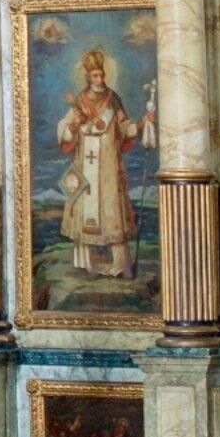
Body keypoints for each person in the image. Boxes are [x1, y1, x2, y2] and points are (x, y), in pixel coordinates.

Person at [56, 47, 152, 281]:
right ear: (88, 77)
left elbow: (123, 127)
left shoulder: (112, 99)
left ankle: (121, 263)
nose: (99, 79)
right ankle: (85, 264)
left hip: (108, 167)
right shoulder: (79, 101)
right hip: (85, 164)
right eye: (94, 76)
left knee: (111, 212)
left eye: (101, 74)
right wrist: (74, 125)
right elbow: (64, 130)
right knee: (85, 208)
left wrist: (141, 124)